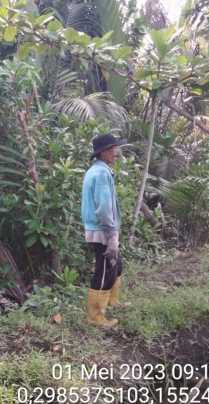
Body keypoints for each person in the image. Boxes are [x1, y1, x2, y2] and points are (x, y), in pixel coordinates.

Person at [81, 133, 126, 328]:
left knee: (117, 266)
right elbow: (104, 208)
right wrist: (112, 235)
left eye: (115, 148)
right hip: (102, 231)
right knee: (105, 271)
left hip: (101, 230)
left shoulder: (98, 170)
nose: (115, 153)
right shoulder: (101, 174)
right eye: (112, 149)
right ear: (103, 152)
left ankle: (112, 301)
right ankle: (95, 316)